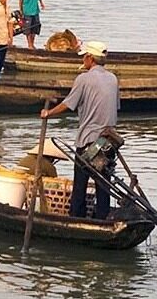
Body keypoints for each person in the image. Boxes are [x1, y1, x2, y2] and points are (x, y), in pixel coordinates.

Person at [40, 41, 119, 220]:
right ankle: (102, 217)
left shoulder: (83, 78)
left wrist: (48, 113)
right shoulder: (113, 79)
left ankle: (76, 217)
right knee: (103, 183)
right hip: (108, 141)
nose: (83, 59)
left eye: (85, 56)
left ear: (90, 58)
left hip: (89, 141)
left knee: (81, 183)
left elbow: (68, 103)